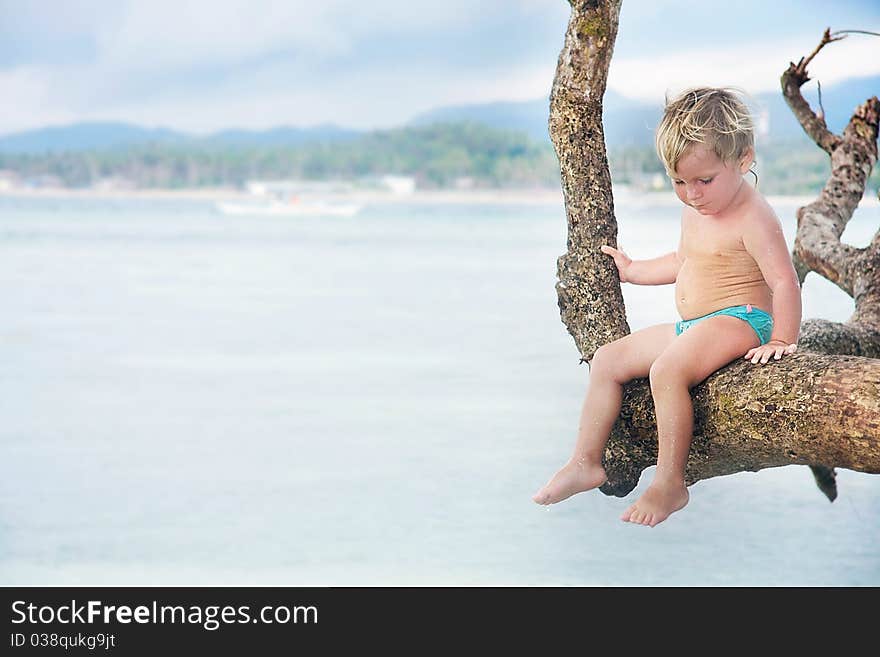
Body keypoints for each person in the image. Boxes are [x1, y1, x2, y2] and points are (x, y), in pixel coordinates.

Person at [532, 87, 802, 527]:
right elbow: (682, 262)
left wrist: (783, 339)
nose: (693, 194)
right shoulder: (697, 211)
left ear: (744, 161)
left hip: (742, 319)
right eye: (679, 182)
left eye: (704, 180)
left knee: (667, 371)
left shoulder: (754, 217)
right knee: (607, 359)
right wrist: (632, 269)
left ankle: (670, 482)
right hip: (695, 324)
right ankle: (586, 461)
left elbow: (783, 281)